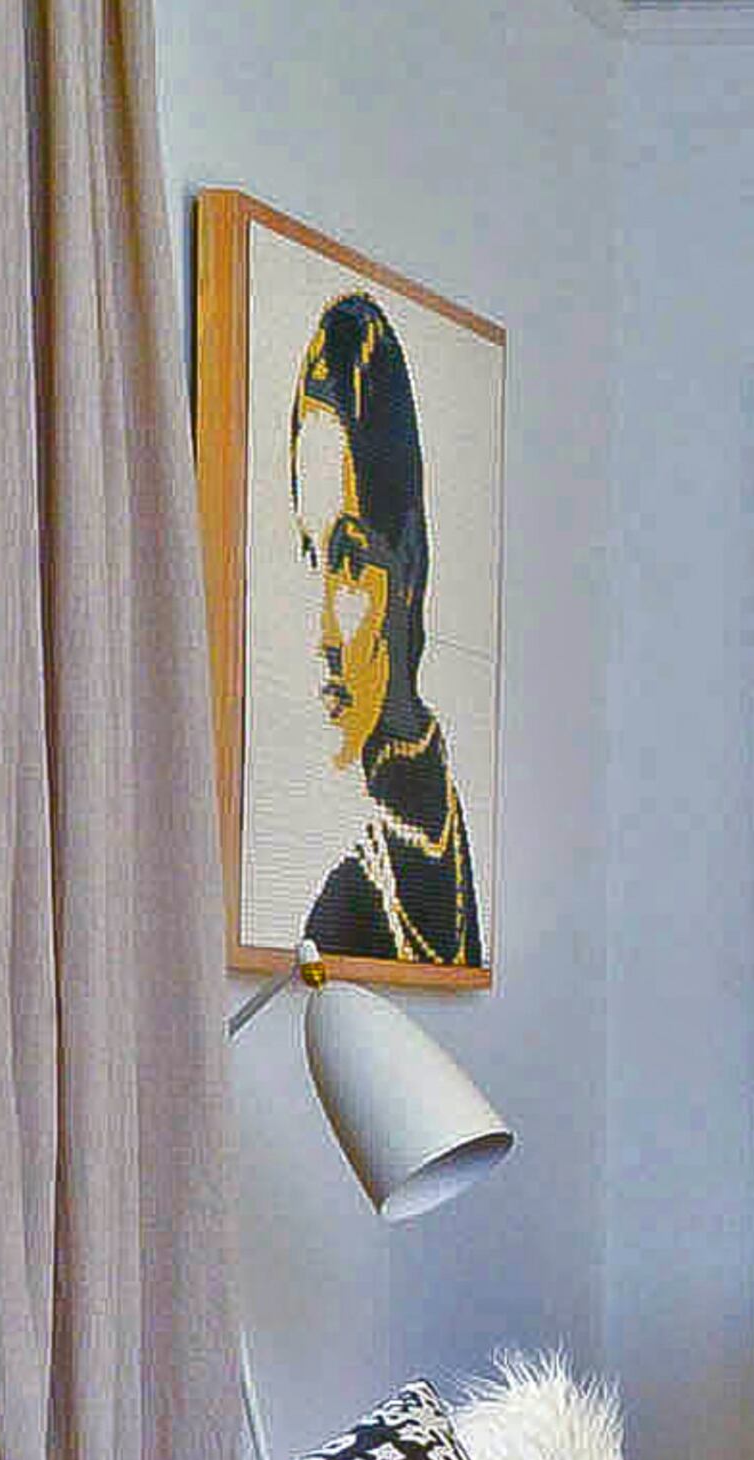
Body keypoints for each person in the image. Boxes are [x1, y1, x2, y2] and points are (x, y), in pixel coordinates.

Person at [289, 292, 481, 970]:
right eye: (309, 556)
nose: (321, 635)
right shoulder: (339, 870)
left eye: (347, 562)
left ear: (406, 568)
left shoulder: (434, 826)